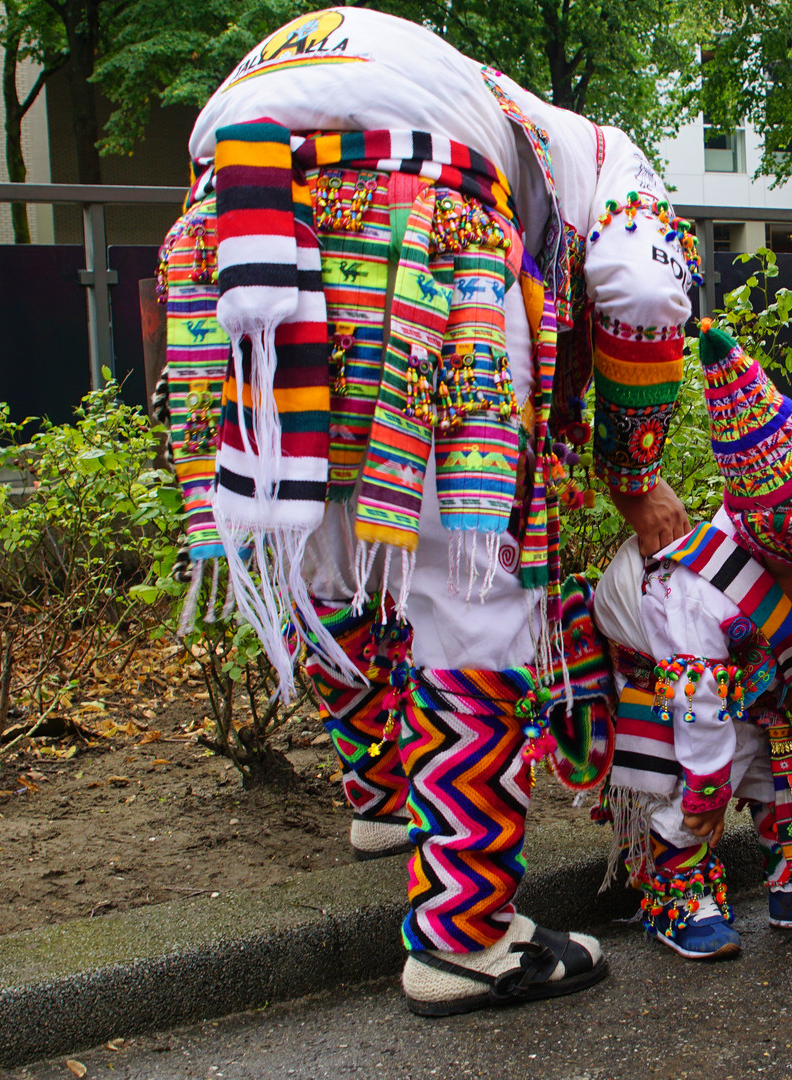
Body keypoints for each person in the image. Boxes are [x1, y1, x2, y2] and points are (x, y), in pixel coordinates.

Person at [156, 7, 698, 1013]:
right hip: (419, 208)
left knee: (322, 534)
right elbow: (643, 294)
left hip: (225, 209)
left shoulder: (490, 98)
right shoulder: (607, 158)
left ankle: (383, 798)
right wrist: (634, 474)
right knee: (469, 574)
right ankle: (464, 936)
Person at [592, 323, 792, 959]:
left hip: (746, 679)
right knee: (692, 782)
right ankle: (678, 893)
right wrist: (706, 783)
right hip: (670, 675)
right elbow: (699, 704)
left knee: (783, 767)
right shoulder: (701, 596)